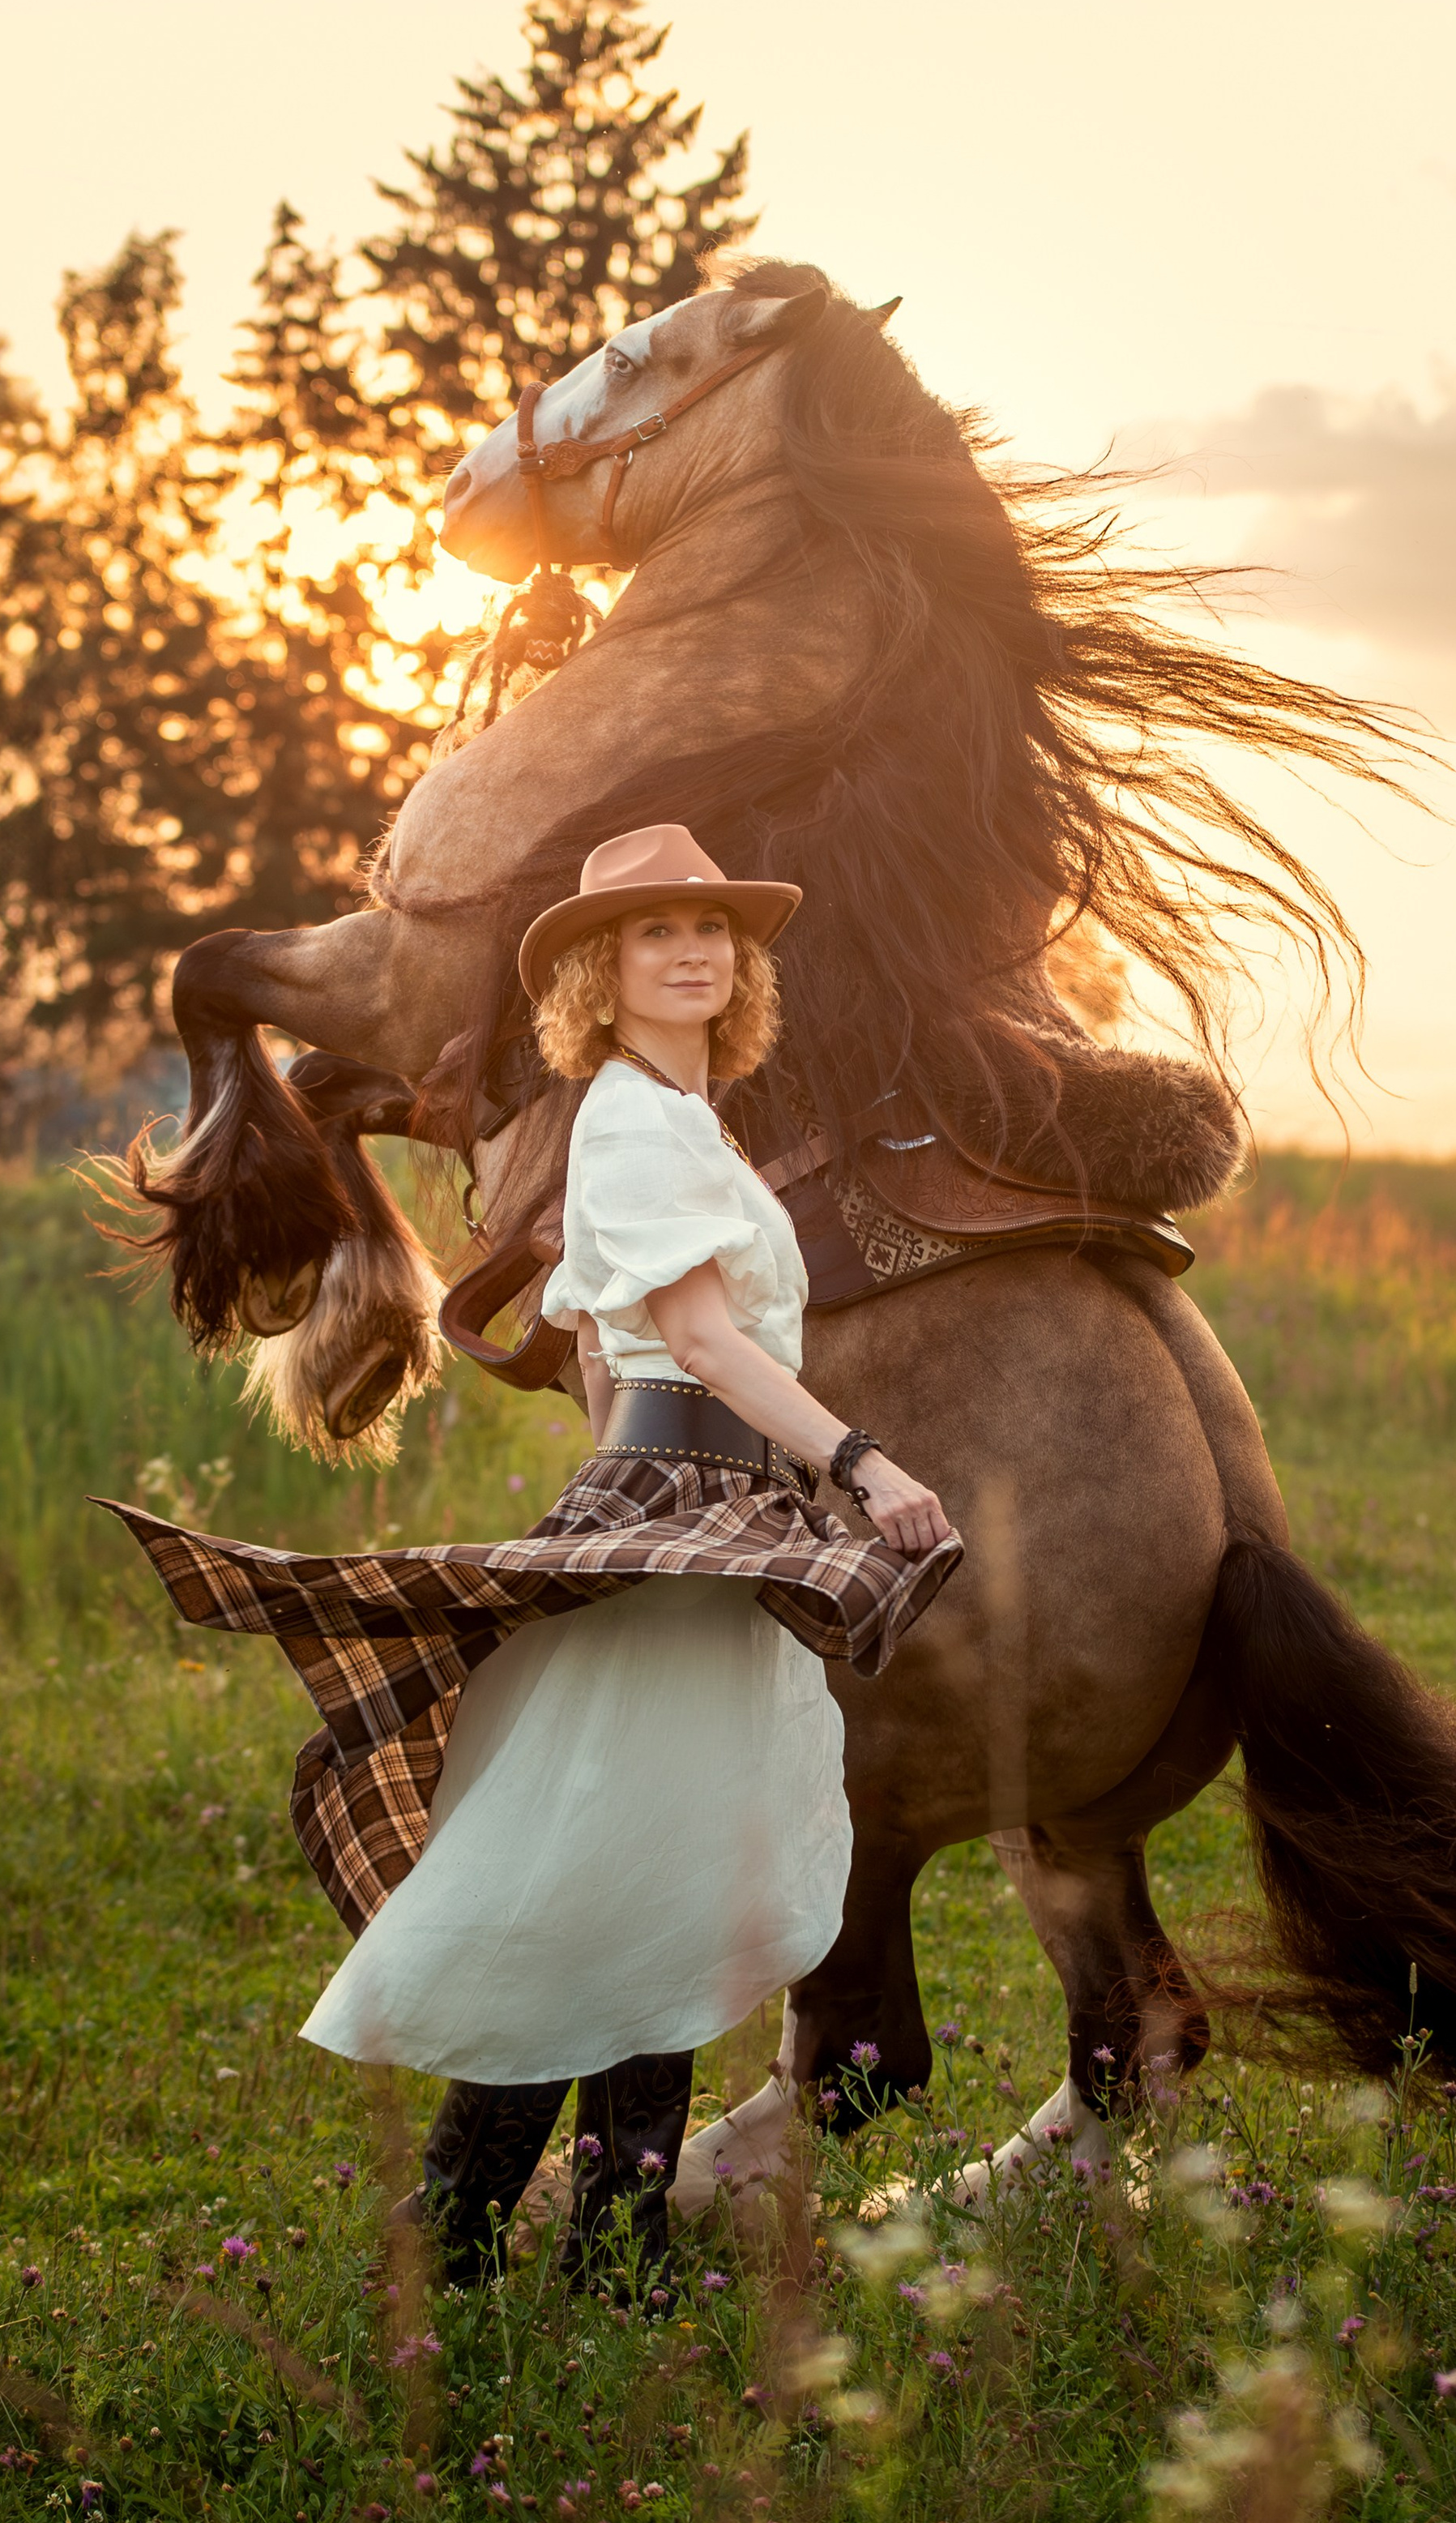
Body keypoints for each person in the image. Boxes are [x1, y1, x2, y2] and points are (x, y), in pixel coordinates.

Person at [100, 822, 959, 2295]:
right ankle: (460, 2238)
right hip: (694, 1502)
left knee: (663, 1879)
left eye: (710, 926)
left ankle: (609, 2251)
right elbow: (693, 1340)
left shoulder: (696, 1128)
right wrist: (857, 1464)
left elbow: (623, 1362)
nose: (691, 947)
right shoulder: (626, 1117)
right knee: (598, 1879)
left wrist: (685, 1503)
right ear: (596, 974)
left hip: (703, 1514)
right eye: (651, 932)